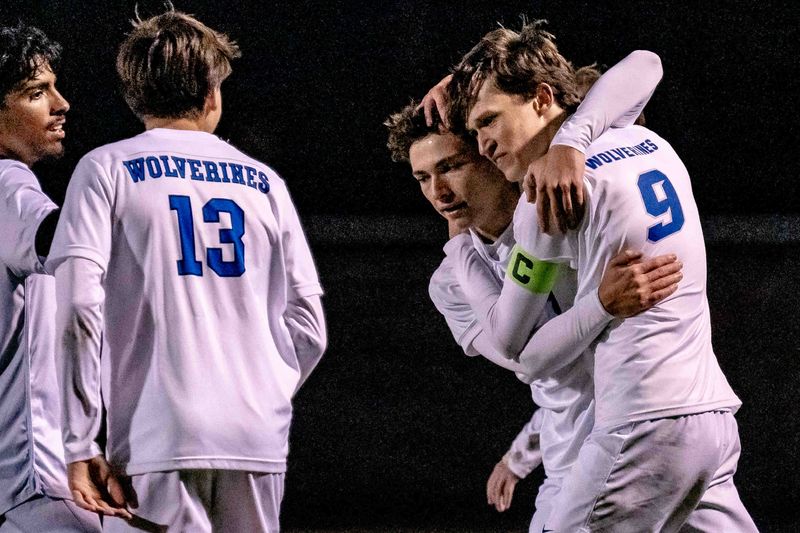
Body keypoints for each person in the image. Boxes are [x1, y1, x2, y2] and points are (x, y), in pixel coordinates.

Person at [447, 19, 757, 531]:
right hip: (711, 419)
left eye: (488, 122)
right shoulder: (642, 138)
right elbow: (646, 63)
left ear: (542, 98)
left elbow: (509, 341)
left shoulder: (546, 198)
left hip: (641, 424)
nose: (482, 144)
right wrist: (571, 137)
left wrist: (459, 243)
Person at [47, 10, 326, 532]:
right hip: (256, 434)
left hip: (159, 434)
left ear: (135, 96)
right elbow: (308, 326)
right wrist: (257, 391)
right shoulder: (265, 183)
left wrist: (79, 441)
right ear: (211, 91)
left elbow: (79, 307)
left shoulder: (106, 168)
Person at [385, 49, 682, 530]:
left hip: (640, 429)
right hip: (583, 461)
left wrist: (467, 77)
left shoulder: (563, 198)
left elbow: (606, 76)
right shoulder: (450, 284)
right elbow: (529, 363)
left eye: (451, 166)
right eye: (423, 177)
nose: (437, 192)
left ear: (485, 151)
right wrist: (601, 306)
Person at [0, 23, 100, 532]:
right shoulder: (7, 182)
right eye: (36, 92)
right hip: (27, 483)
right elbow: (59, 238)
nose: (60, 104)